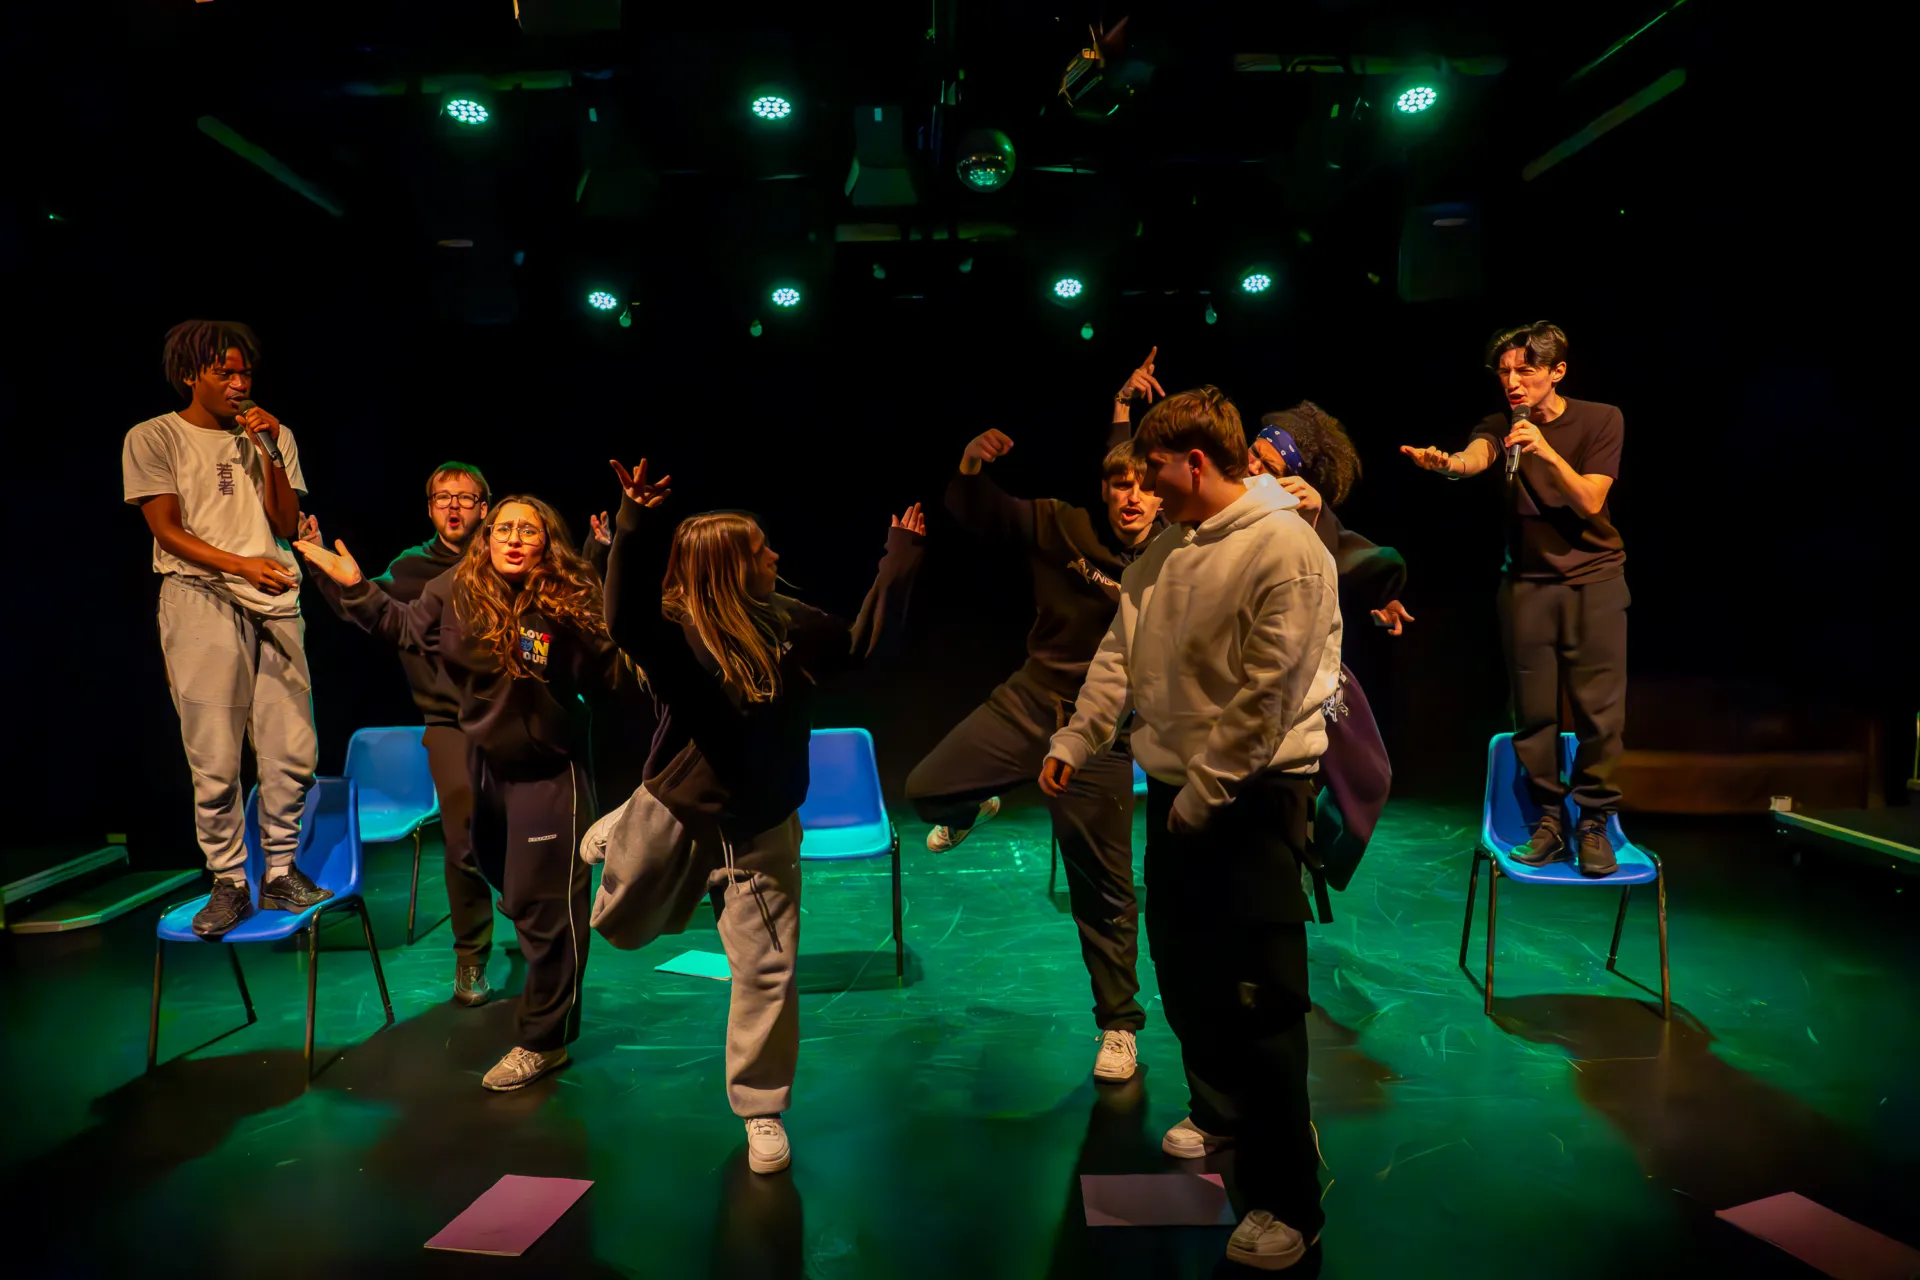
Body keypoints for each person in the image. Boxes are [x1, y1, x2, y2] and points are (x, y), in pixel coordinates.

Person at [1043, 386, 1341, 1272]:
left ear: (1197, 463)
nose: (1145, 489)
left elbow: (1269, 694)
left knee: (1263, 1004)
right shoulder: (1164, 552)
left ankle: (1291, 1201)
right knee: (1186, 973)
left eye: (1157, 473)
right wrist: (1078, 733)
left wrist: (1205, 797)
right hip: (1181, 797)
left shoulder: (1282, 547)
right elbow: (1117, 658)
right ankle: (1218, 1115)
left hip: (1251, 802)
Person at [587, 458, 925, 1177]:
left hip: (763, 825)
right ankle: (622, 825)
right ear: (727, 567)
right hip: (678, 813)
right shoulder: (678, 635)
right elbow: (623, 618)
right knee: (620, 930)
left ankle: (761, 1107)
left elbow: (865, 648)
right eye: (761, 549)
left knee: (767, 970)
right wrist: (633, 521)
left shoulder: (792, 627)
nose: (776, 556)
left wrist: (899, 559)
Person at [903, 349, 1165, 1084]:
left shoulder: (1179, 554)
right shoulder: (1061, 526)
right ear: (1104, 491)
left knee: (1104, 889)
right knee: (926, 786)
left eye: (1146, 487)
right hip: (1030, 702)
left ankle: (1118, 1026)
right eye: (1120, 486)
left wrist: (1124, 414)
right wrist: (970, 467)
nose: (1132, 498)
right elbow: (980, 512)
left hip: (1106, 733)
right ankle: (983, 800)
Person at [297, 496, 620, 1090]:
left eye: (529, 530)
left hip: (550, 772)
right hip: (486, 764)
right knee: (506, 882)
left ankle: (545, 1040)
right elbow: (399, 626)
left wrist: (604, 569)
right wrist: (352, 585)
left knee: (545, 905)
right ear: (487, 537)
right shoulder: (456, 588)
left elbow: (608, 661)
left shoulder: (564, 597)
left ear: (546, 541)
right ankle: (542, 971)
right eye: (504, 529)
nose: (515, 539)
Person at [123, 320, 330, 939]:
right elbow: (166, 529)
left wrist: (267, 448)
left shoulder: (273, 434)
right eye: (226, 373)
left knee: (292, 747)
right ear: (192, 375)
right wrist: (239, 563)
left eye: (246, 373)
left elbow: (287, 521)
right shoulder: (154, 436)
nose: (240, 384)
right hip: (200, 596)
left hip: (274, 595)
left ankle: (282, 871)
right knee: (213, 751)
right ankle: (229, 880)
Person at [1400, 322, 1626, 876]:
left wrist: (1545, 451)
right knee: (1534, 712)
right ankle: (1549, 820)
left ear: (1557, 372)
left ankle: (1593, 820)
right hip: (1525, 584)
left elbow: (1591, 499)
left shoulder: (1601, 419)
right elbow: (1476, 455)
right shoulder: (1503, 426)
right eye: (1504, 372)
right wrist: (1448, 465)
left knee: (1600, 713)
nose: (1513, 382)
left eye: (1525, 370)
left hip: (1593, 578)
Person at [1248, 401, 1413, 637]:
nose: (1252, 466)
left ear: (1292, 485)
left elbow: (1354, 563)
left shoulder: (1309, 519)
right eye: (1254, 451)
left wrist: (1384, 600)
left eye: (1269, 468)